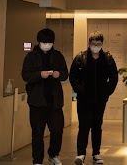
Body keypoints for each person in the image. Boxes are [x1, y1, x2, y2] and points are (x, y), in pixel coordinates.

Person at [69, 31, 119, 165]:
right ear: (89, 43)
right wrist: (79, 89)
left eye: (98, 44)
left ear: (102, 44)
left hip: (100, 99)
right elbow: (72, 75)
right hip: (84, 99)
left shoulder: (107, 58)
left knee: (97, 126)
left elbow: (114, 77)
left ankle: (96, 153)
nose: (96, 46)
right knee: (83, 126)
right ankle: (81, 154)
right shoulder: (80, 57)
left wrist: (107, 92)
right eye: (93, 44)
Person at [21, 28, 69, 165]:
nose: (47, 44)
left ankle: (53, 154)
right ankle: (37, 160)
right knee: (37, 133)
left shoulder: (58, 56)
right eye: (44, 42)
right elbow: (25, 75)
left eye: (49, 42)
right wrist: (39, 75)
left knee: (57, 130)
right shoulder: (31, 56)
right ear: (39, 42)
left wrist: (59, 74)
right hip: (37, 102)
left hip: (55, 102)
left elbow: (65, 73)